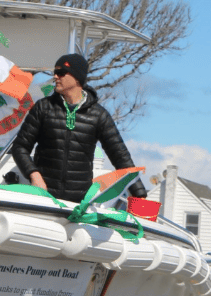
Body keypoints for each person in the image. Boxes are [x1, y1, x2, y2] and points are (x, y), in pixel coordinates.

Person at [11, 53, 148, 204]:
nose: (56, 77)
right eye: (54, 73)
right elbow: (19, 147)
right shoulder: (43, 108)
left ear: (77, 77)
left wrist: (140, 196)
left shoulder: (99, 115)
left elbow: (121, 157)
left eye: (61, 73)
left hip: (78, 205)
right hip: (43, 200)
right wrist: (34, 176)